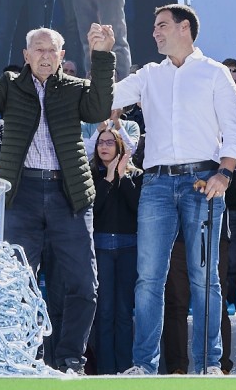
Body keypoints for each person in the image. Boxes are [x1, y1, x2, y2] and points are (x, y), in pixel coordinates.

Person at [0, 22, 116, 374]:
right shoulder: (10, 86)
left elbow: (100, 109)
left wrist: (102, 56)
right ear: (26, 55)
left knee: (84, 284)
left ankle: (71, 359)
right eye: (38, 49)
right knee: (15, 281)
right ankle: (25, 356)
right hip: (21, 195)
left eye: (52, 50)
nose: (45, 56)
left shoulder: (74, 88)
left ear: (62, 56)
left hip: (69, 195)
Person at [112, 4, 236, 376]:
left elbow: (234, 131)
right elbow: (106, 99)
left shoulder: (214, 72)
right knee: (148, 278)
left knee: (205, 278)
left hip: (203, 181)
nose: (155, 32)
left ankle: (209, 364)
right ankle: (143, 365)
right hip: (155, 183)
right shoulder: (148, 75)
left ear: (184, 27)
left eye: (162, 25)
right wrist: (103, 55)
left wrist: (224, 174)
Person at [89, 127, 140, 375]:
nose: (104, 146)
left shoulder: (135, 175)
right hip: (101, 248)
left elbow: (137, 208)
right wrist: (108, 180)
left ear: (119, 147)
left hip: (128, 247)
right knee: (105, 311)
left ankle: (125, 368)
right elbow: (93, 210)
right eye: (101, 142)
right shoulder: (91, 175)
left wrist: (121, 177)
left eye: (110, 142)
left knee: (123, 311)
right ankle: (106, 371)